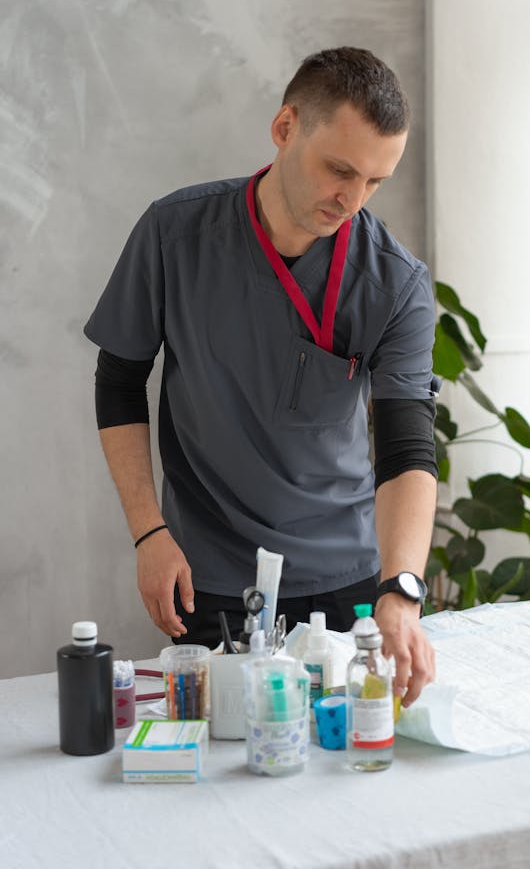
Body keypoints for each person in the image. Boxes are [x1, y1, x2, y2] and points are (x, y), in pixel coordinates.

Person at [85, 47, 438, 706]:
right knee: (222, 772)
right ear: (284, 129)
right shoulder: (175, 235)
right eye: (340, 170)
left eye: (375, 181)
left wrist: (401, 587)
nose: (353, 200)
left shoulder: (395, 284)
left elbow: (406, 446)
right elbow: (119, 382)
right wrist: (148, 531)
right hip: (208, 572)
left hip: (352, 580)